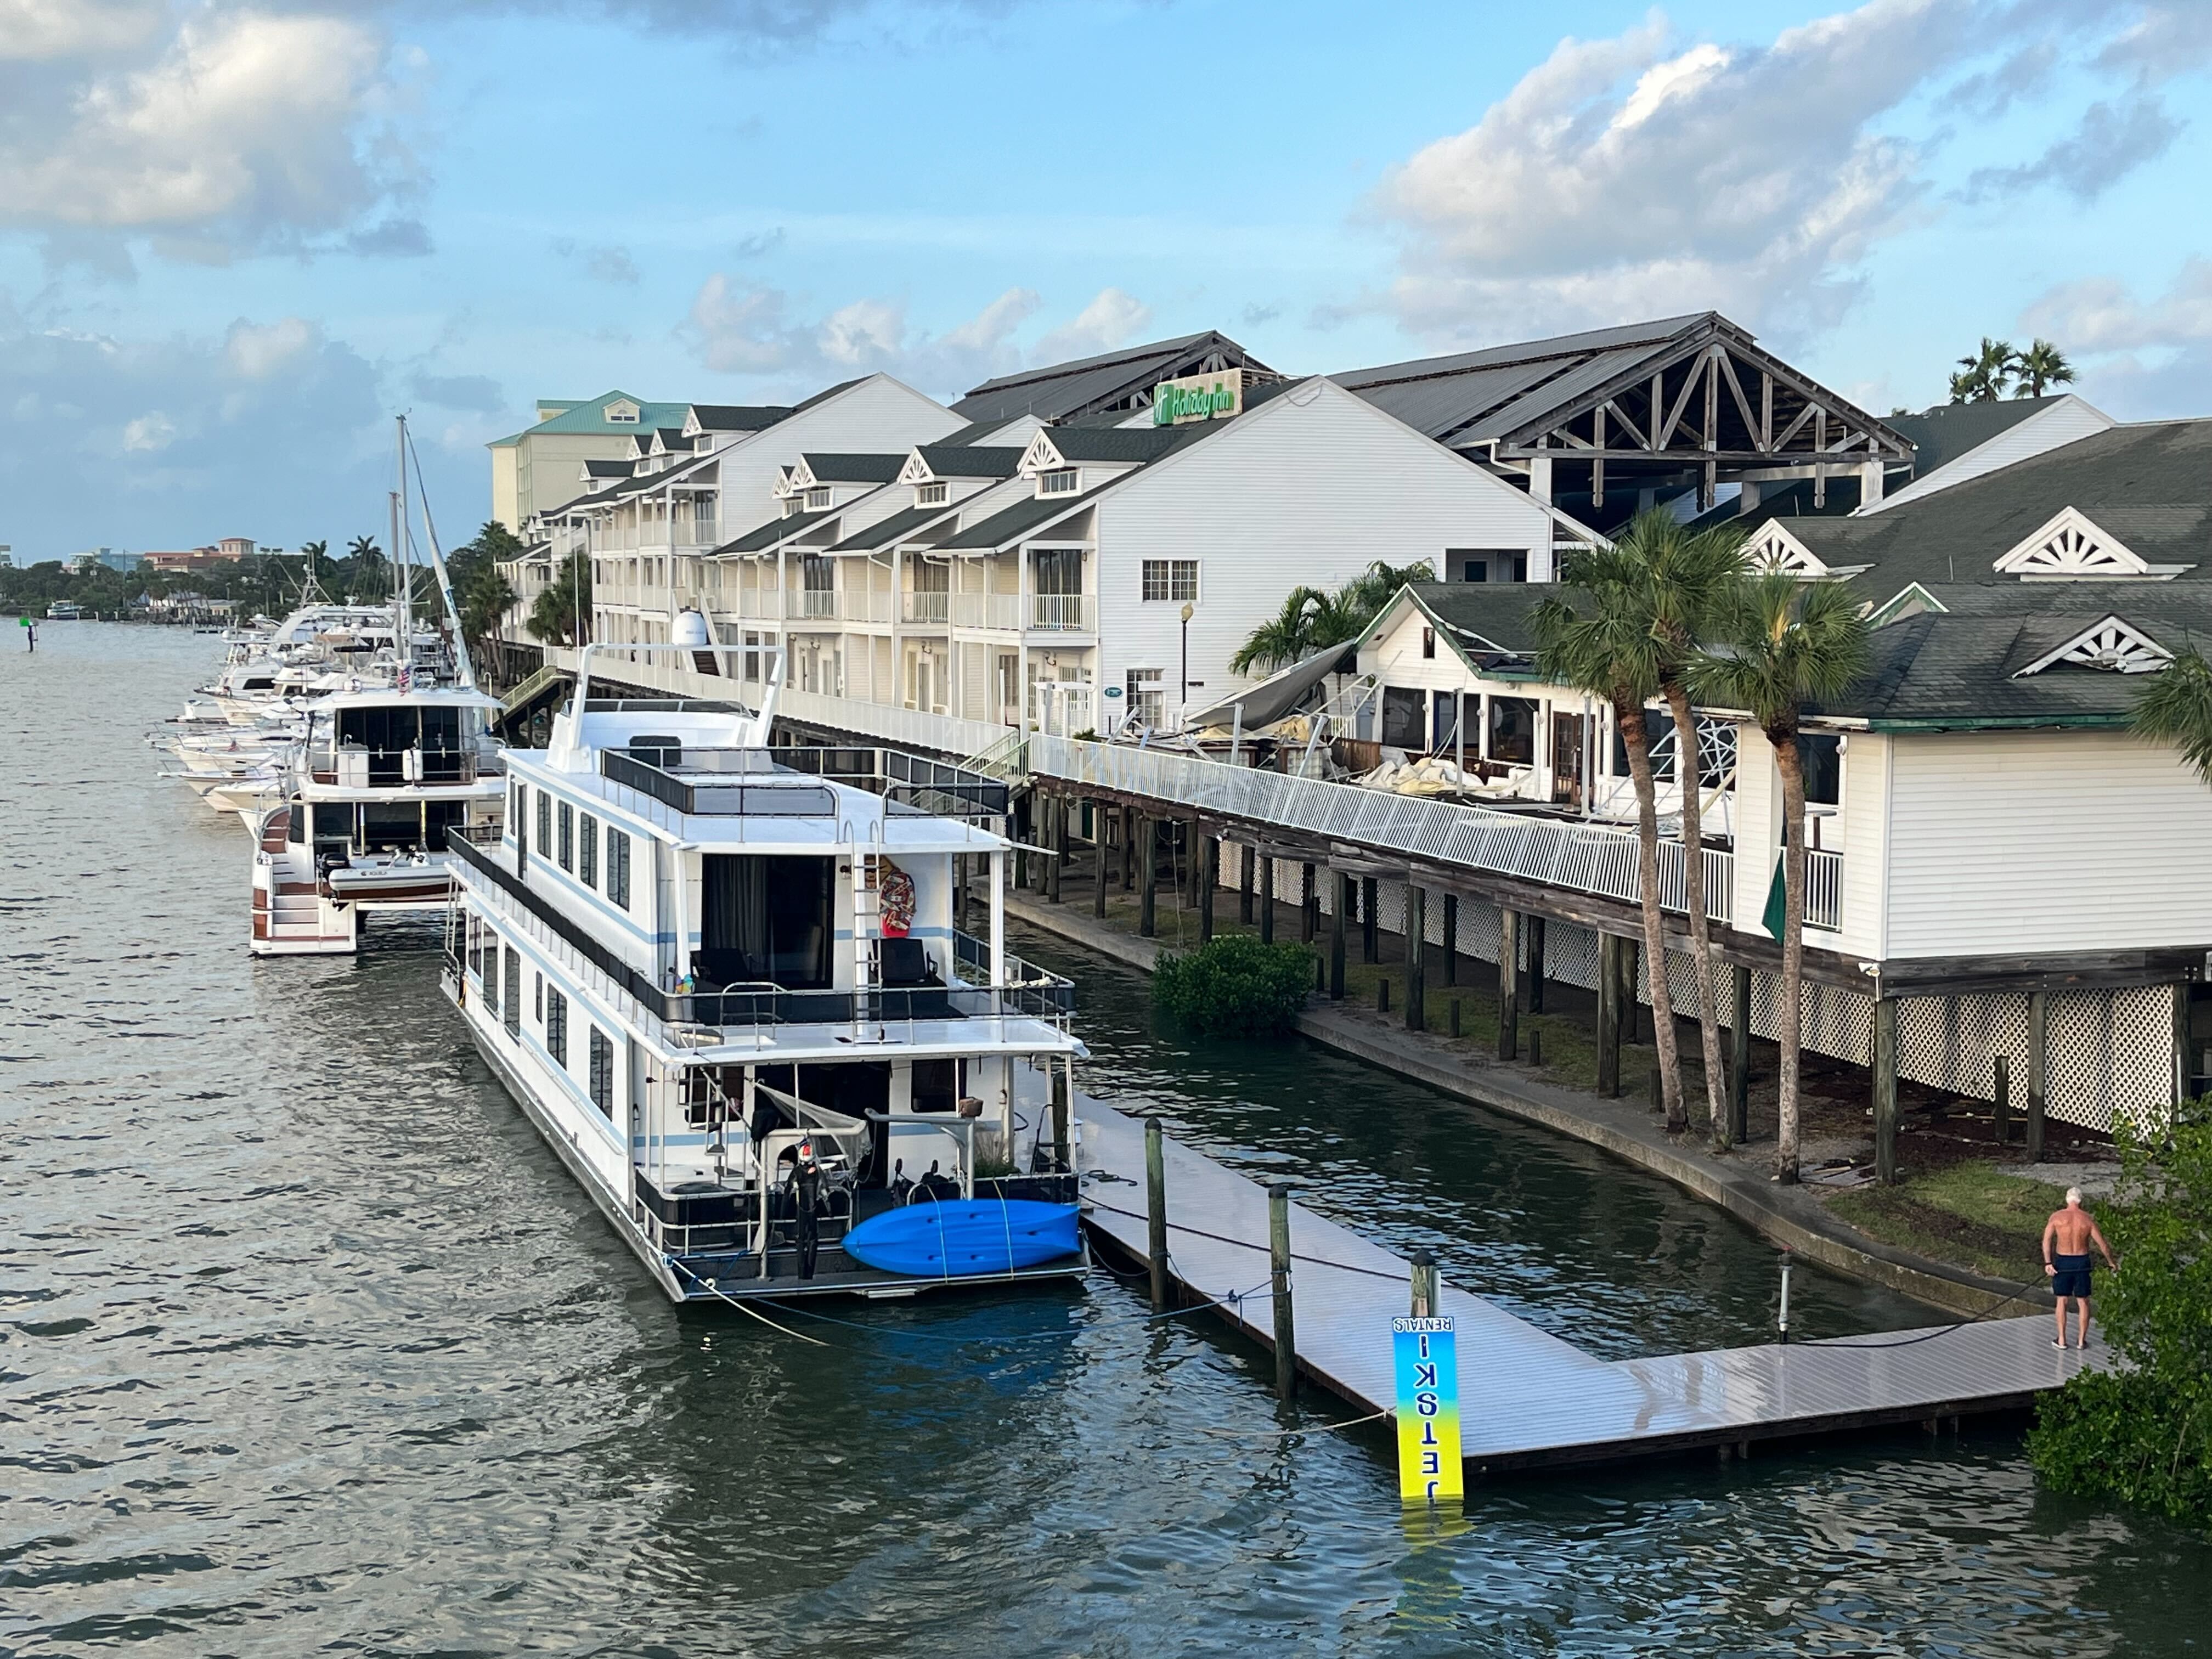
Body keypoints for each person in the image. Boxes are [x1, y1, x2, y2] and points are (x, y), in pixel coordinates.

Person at [2041, 1186, 2118, 1350]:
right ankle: (2081, 1341)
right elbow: (2103, 1245)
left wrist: (2048, 1263)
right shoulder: (2087, 1220)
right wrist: (2112, 1262)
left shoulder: (2057, 1217)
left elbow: (2046, 1241)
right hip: (2082, 1262)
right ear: (2080, 1201)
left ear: (2067, 1200)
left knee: (2062, 1299)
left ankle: (2062, 1340)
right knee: (2083, 1301)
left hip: (2063, 1261)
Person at [791, 1139, 823, 1280]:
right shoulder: (816, 1171)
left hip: (802, 1211)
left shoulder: (797, 1171)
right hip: (811, 1210)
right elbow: (824, 1190)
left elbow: (788, 1191)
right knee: (812, 1241)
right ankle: (808, 1275)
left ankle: (802, 1275)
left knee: (801, 1241)